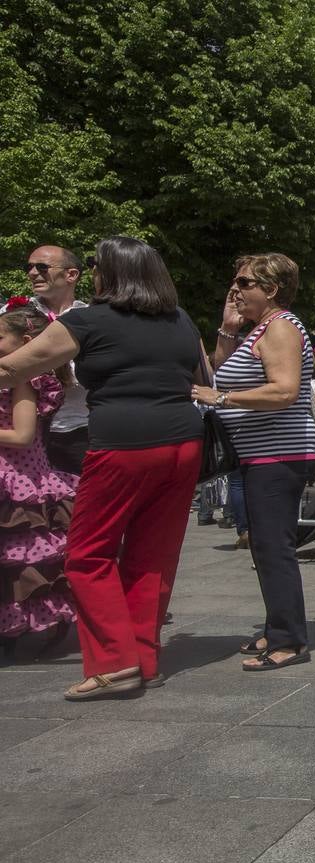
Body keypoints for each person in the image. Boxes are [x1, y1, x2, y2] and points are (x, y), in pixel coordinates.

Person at [0, 236, 204, 699]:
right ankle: (144, 660)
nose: (92, 271)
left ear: (110, 273)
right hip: (184, 442)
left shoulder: (86, 320)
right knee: (152, 557)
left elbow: (12, 369)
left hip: (125, 444)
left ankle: (115, 663)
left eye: (96, 264)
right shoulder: (180, 319)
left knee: (87, 556)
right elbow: (199, 378)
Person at [193, 253, 315, 672]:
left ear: (272, 289)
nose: (235, 289)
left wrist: (222, 398)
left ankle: (289, 640)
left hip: (279, 454)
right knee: (264, 547)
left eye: (245, 282)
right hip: (260, 454)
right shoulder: (258, 330)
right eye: (235, 281)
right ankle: (276, 626)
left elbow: (284, 391)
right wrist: (228, 330)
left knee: (273, 546)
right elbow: (221, 371)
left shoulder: (281, 326)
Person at [0, 305, 79, 660]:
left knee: (24, 563)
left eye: (0, 337)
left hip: (21, 478)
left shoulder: (24, 378)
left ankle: (28, 626)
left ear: (26, 341)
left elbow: (22, 435)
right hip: (9, 475)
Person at [22, 246, 90, 475]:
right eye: (29, 267)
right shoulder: (13, 314)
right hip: (24, 434)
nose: (32, 273)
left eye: (42, 267)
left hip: (79, 431)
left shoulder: (89, 318)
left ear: (71, 275)